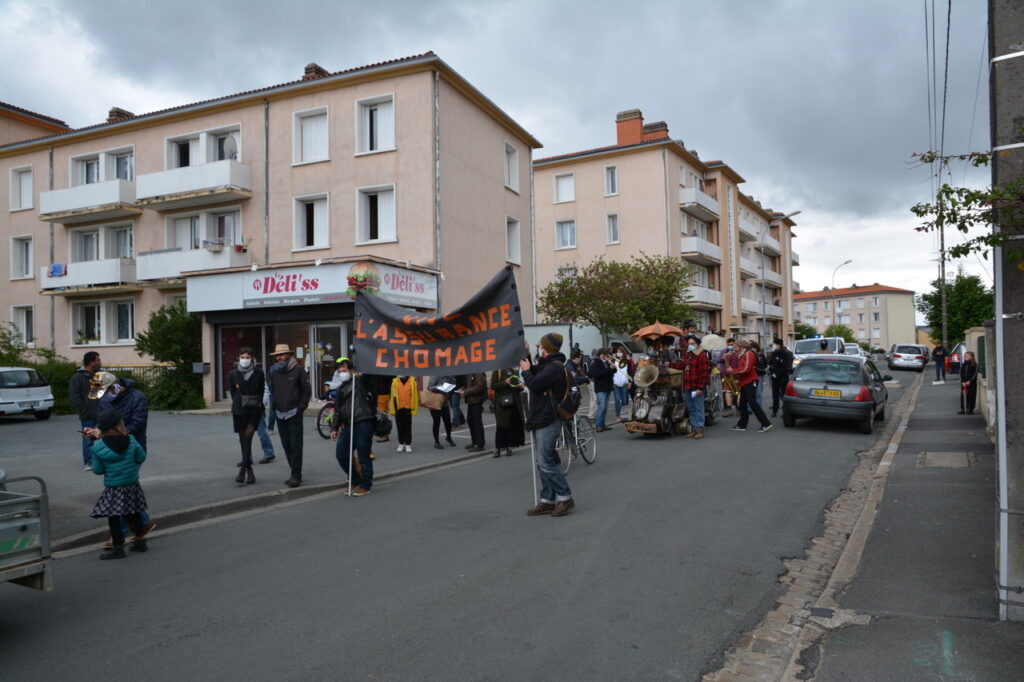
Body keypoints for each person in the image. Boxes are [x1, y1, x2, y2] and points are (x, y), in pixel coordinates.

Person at [87, 371, 155, 546]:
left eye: (106, 392)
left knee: (121, 493)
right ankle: (143, 524)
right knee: (126, 493)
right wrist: (96, 431)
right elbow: (102, 421)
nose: (104, 397)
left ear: (116, 386)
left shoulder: (137, 397)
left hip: (130, 448)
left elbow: (138, 423)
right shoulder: (104, 398)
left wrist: (113, 434)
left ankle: (120, 536)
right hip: (112, 446)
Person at [521, 333, 575, 517]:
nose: (538, 347)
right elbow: (536, 373)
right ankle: (547, 499)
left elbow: (534, 383)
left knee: (545, 462)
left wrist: (526, 371)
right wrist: (526, 354)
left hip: (548, 418)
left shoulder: (554, 367)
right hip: (540, 417)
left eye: (540, 345)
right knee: (541, 461)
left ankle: (565, 497)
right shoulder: (548, 365)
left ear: (546, 348)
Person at [89, 409, 148, 560]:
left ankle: (118, 548)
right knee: (134, 512)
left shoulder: (98, 447)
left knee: (113, 516)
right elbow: (141, 457)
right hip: (131, 483)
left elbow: (97, 470)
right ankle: (140, 542)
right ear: (120, 424)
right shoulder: (132, 440)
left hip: (114, 486)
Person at [330, 360, 376, 497]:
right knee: (341, 454)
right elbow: (337, 410)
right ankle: (355, 479)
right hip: (348, 425)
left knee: (363, 455)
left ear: (351, 370)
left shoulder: (359, 382)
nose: (342, 372)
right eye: (340, 370)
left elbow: (368, 374)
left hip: (363, 422)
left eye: (344, 369)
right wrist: (334, 428)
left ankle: (366, 485)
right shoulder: (339, 390)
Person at [268, 343, 311, 488]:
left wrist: (301, 407)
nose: (279, 358)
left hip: (294, 412)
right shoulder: (274, 372)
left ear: (289, 355)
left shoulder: (298, 370)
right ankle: (294, 471)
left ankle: (296, 475)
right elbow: (272, 391)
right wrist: (273, 408)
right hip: (280, 413)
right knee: (286, 444)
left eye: (281, 355)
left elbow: (306, 390)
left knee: (296, 445)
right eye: (277, 356)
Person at [227, 347, 265, 485]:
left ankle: (242, 470)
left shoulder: (259, 372)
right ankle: (249, 471)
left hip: (254, 409)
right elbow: (232, 393)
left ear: (252, 359)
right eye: (242, 357)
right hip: (239, 410)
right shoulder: (232, 374)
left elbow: (261, 389)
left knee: (248, 436)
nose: (244, 359)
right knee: (243, 440)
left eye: (247, 357)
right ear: (238, 358)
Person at [725, 339, 773, 433]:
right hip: (745, 382)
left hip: (750, 381)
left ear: (741, 346)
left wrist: (733, 371)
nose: (734, 348)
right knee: (743, 404)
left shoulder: (748, 354)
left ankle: (766, 423)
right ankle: (742, 424)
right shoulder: (742, 355)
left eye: (735, 347)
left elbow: (746, 369)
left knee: (753, 403)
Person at [69, 351, 102, 470]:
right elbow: (74, 396)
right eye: (98, 360)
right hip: (87, 414)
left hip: (101, 413)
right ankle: (88, 462)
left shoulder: (98, 376)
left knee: (103, 437)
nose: (100, 362)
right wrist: (83, 409)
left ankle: (101, 461)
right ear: (91, 362)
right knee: (88, 438)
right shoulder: (78, 377)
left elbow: (99, 393)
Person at [490, 368, 525, 457]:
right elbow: (493, 386)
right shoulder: (497, 370)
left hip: (513, 402)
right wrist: (505, 382)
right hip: (502, 403)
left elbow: (515, 386)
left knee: (510, 425)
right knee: (501, 426)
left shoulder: (513, 371)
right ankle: (498, 448)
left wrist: (520, 387)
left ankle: (509, 446)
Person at [682, 334, 711, 439]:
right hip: (688, 386)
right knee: (691, 408)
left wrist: (700, 388)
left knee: (698, 408)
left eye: (692, 344)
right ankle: (694, 428)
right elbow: (683, 366)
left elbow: (704, 373)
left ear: (697, 344)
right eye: (689, 344)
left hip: (696, 387)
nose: (690, 345)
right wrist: (670, 365)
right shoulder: (689, 354)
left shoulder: (702, 356)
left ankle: (700, 430)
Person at [389, 375, 419, 452]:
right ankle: (401, 443)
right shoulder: (394, 382)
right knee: (400, 426)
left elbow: (415, 396)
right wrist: (392, 409)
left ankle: (408, 444)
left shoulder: (412, 382)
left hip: (408, 408)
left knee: (408, 427)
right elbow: (392, 396)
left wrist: (414, 408)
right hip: (398, 408)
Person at [426, 376, 457, 449]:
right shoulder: (436, 374)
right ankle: (436, 442)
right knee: (436, 422)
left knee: (448, 422)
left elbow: (453, 385)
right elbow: (429, 387)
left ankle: (448, 437)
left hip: (444, 402)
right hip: (435, 402)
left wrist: (452, 378)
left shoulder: (449, 375)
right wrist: (439, 387)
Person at [460, 372, 488, 452]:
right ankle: (474, 441)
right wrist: (463, 389)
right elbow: (470, 385)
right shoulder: (471, 372)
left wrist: (465, 392)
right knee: (470, 421)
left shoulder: (479, 373)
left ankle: (480, 444)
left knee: (477, 422)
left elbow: (479, 387)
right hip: (471, 401)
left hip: (477, 401)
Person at [589, 348, 615, 432]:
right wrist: (610, 369)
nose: (605, 356)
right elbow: (598, 374)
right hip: (600, 388)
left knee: (605, 408)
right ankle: (598, 425)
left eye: (606, 355)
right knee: (601, 406)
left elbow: (612, 372)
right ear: (600, 354)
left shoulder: (607, 362)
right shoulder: (596, 363)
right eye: (604, 355)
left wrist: (613, 368)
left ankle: (603, 424)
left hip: (607, 387)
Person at [768, 337, 794, 418]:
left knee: (783, 394)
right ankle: (774, 410)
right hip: (774, 377)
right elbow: (770, 363)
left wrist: (777, 374)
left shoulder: (784, 353)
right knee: (775, 394)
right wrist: (772, 372)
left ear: (779, 345)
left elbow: (785, 366)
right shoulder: (773, 353)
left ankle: (784, 411)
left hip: (782, 377)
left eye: (775, 344)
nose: (774, 345)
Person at [567, 349, 595, 421]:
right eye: (579, 358)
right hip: (571, 389)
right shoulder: (570, 366)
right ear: (576, 358)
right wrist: (585, 378)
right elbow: (575, 379)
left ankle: (573, 419)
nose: (580, 360)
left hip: (573, 388)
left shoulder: (573, 365)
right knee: (572, 406)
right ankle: (572, 420)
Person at [717, 339, 740, 417]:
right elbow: (718, 360)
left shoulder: (738, 352)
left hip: (736, 374)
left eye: (732, 344)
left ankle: (739, 409)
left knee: (738, 392)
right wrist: (724, 357)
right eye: (729, 344)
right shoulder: (723, 351)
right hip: (726, 375)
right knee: (727, 391)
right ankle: (729, 409)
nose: (730, 346)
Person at [611, 348, 632, 421]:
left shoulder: (627, 361)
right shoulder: (613, 361)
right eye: (617, 352)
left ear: (623, 353)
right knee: (617, 400)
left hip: (624, 383)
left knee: (625, 400)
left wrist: (630, 382)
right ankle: (618, 415)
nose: (618, 353)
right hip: (616, 383)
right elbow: (611, 372)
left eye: (620, 352)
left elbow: (630, 372)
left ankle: (625, 415)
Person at [748, 341, 768, 414]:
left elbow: (765, 364)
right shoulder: (750, 355)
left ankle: (758, 408)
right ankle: (750, 408)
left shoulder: (760, 355)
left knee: (758, 392)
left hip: (759, 374)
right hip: (754, 374)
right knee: (752, 392)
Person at [958, 350, 978, 415]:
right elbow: (961, 374)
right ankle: (963, 409)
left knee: (971, 396)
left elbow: (974, 374)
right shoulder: (963, 365)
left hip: (971, 384)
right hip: (964, 383)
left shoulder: (975, 365)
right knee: (963, 396)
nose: (965, 357)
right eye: (965, 356)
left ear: (971, 357)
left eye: (967, 356)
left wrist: (970, 381)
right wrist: (962, 381)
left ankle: (970, 409)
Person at [375, 375, 394, 442]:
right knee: (380, 412)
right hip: (380, 388)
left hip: (382, 389)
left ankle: (384, 434)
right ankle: (383, 433)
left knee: (382, 413)